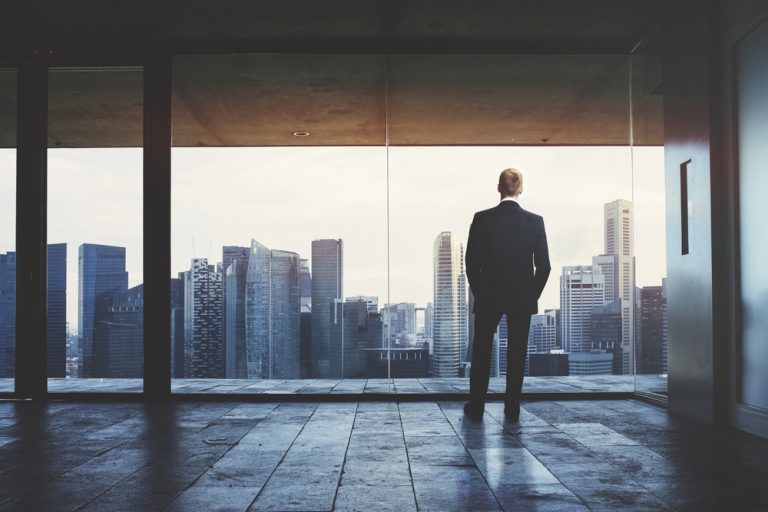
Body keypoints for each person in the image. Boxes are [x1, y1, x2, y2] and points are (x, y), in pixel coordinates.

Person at [464, 168, 551, 422]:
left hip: (489, 296)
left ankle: (477, 406)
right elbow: (544, 266)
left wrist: (482, 293)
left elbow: (471, 263)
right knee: (517, 353)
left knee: (481, 352)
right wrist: (530, 295)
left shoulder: (482, 218)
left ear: (498, 188)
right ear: (521, 188)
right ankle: (512, 408)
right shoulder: (535, 221)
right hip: (521, 298)